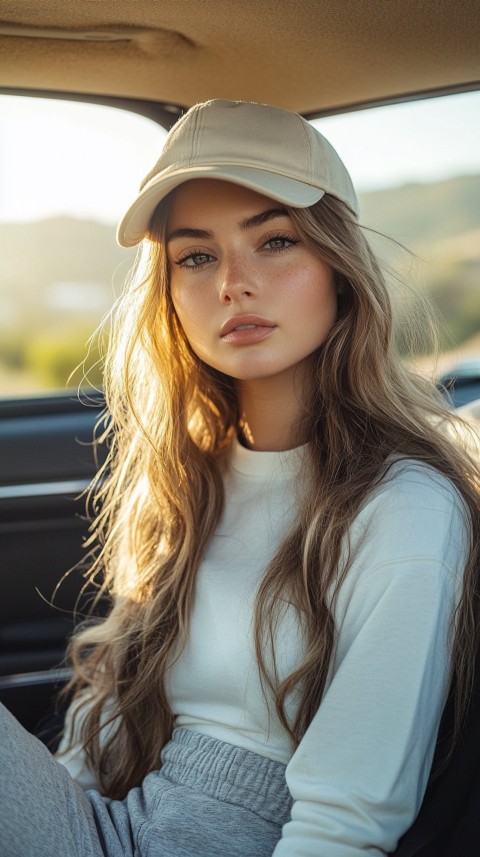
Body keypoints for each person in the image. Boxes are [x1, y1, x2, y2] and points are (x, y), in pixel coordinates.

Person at [1, 98, 479, 857]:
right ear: (170, 293)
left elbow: (346, 825)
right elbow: (100, 740)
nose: (234, 283)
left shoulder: (403, 507)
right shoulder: (193, 475)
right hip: (110, 824)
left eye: (275, 241)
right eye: (197, 256)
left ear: (339, 267)